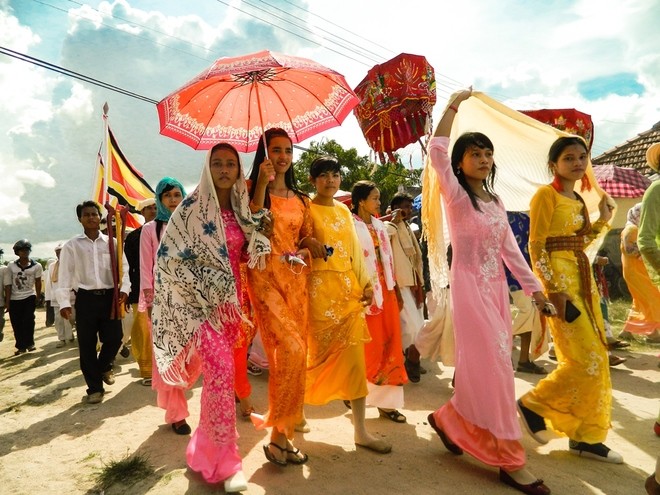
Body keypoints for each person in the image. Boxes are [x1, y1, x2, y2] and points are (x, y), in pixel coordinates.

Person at [426, 90, 552, 495]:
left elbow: (512, 254)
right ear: (461, 164)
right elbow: (437, 148)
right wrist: (453, 106)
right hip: (468, 289)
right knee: (498, 368)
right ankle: (510, 460)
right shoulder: (457, 195)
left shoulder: (495, 200)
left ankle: (449, 418)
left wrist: (536, 292)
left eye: (487, 154)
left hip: (495, 290)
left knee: (490, 368)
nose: (482, 159)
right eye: (474, 154)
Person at [153, 142, 271, 493]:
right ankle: (227, 463)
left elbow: (249, 252)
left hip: (234, 309)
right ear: (208, 167)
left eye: (230, 164)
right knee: (219, 372)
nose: (224, 169)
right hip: (200, 310)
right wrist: (201, 285)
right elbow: (169, 260)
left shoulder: (240, 210)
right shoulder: (189, 211)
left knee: (222, 381)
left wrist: (259, 235)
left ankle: (206, 450)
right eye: (217, 163)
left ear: (238, 170)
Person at [517, 134, 623, 465]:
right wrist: (551, 290)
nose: (577, 163)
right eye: (569, 158)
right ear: (554, 165)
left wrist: (604, 219)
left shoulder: (577, 199)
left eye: (582, 157)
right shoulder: (544, 196)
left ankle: (586, 436)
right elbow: (536, 246)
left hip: (583, 281)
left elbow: (581, 241)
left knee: (597, 360)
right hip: (561, 287)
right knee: (584, 360)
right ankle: (532, 405)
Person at [303, 161, 393, 455]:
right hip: (317, 294)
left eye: (335, 175)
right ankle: (294, 415)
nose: (330, 180)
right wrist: (306, 240)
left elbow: (354, 251)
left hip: (347, 293)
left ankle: (360, 431)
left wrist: (366, 283)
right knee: (311, 360)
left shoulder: (343, 211)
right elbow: (294, 242)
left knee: (355, 362)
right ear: (313, 179)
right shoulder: (305, 208)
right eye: (324, 175)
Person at [246, 128, 316, 466]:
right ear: (265, 154)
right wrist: (261, 182)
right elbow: (251, 222)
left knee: (290, 360)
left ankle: (283, 437)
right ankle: (277, 436)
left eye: (288, 150)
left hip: (296, 282)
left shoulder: (301, 198)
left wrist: (308, 247)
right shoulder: (250, 191)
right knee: (290, 349)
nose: (283, 156)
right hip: (264, 278)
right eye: (275, 150)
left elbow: (307, 238)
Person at [56, 201, 130, 404]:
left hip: (110, 298)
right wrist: (64, 302)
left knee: (115, 337)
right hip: (86, 299)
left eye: (94, 214)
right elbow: (65, 274)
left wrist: (124, 289)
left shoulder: (112, 242)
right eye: (86, 215)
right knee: (87, 345)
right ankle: (95, 388)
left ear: (100, 217)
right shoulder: (72, 245)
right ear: (80, 219)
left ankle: (104, 366)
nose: (91, 217)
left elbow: (124, 267)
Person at [140, 177, 196, 435]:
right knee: (170, 356)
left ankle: (177, 402)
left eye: (177, 194)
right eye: (167, 196)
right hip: (163, 302)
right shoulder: (151, 229)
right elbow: (145, 267)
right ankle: (177, 414)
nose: (173, 200)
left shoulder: (193, 225)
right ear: (160, 200)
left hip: (190, 301)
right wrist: (150, 302)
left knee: (192, 357)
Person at [351, 180, 408, 424]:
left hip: (387, 291)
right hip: (363, 293)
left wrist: (397, 290)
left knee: (391, 345)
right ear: (361, 201)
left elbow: (389, 260)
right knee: (367, 349)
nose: (379, 202)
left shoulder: (380, 226)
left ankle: (387, 404)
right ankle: (357, 398)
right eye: (375, 198)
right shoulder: (349, 226)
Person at [384, 192, 425, 383]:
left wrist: (419, 284)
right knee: (413, 327)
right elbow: (384, 235)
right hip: (398, 284)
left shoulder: (409, 226)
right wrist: (393, 219)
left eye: (409, 207)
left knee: (411, 326)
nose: (408, 210)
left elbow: (415, 259)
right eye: (404, 207)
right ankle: (406, 361)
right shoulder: (388, 225)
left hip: (412, 282)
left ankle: (404, 362)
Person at [505, 211, 549, 374]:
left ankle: (523, 359)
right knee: (527, 311)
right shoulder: (495, 213)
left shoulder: (526, 218)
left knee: (530, 314)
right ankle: (500, 346)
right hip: (506, 274)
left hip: (524, 273)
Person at [122, 197, 157, 384]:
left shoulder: (168, 231)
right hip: (140, 294)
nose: (152, 211)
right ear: (142, 213)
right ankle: (147, 372)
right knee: (144, 332)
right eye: (148, 209)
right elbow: (127, 267)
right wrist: (128, 293)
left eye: (155, 207)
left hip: (167, 292)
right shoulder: (134, 237)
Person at [4, 239, 43, 355]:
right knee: (16, 322)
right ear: (17, 252)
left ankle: (30, 343)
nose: (24, 252)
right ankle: (20, 346)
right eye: (21, 250)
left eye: (26, 250)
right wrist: (8, 301)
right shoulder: (11, 266)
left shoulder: (37, 266)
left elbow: (38, 282)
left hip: (29, 296)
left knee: (28, 320)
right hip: (14, 298)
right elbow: (8, 284)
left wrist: (38, 295)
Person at [45, 244, 74, 347]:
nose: (59, 254)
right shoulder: (52, 266)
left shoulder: (71, 264)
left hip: (70, 296)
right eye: (57, 253)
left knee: (71, 318)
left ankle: (70, 336)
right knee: (58, 320)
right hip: (56, 297)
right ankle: (62, 339)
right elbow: (49, 282)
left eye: (61, 252)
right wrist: (48, 297)